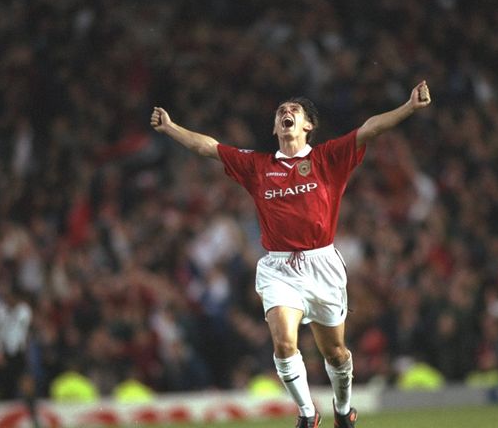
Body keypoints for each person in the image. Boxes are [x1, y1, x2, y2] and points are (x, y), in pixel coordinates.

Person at [151, 81, 431, 428]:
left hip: (322, 264)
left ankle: (343, 411)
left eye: (294, 111)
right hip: (278, 267)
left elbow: (369, 129)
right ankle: (307, 414)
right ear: (274, 128)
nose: (286, 113)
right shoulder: (257, 166)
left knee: (337, 354)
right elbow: (210, 148)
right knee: (284, 345)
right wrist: (171, 127)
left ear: (308, 126)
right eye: (281, 111)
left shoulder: (327, 159)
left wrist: (408, 108)